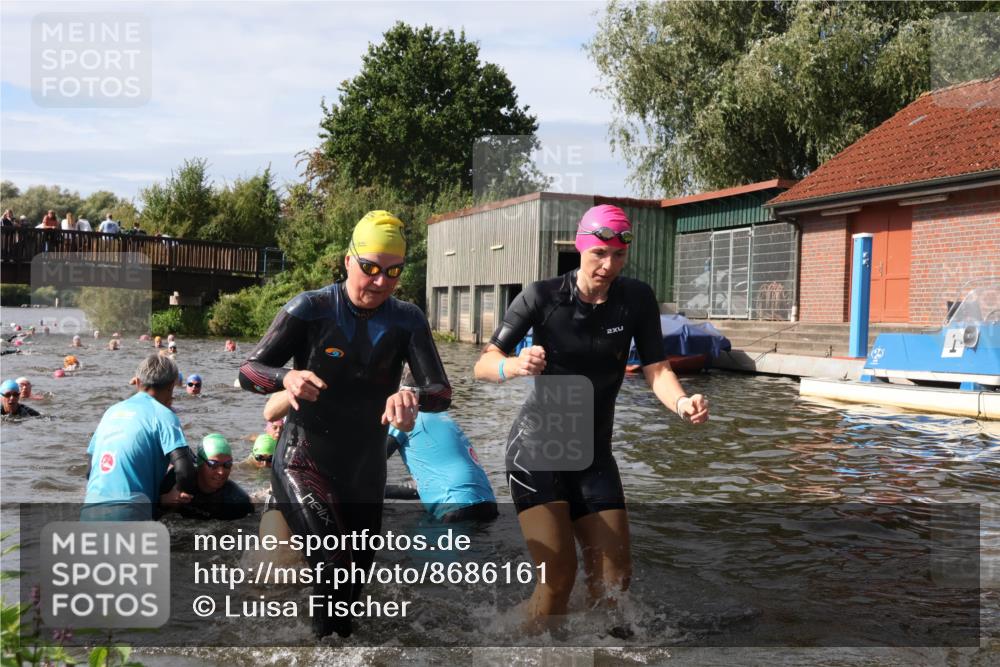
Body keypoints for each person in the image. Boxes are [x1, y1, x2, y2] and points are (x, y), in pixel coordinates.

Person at [473, 204, 710, 632]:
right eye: (599, 253)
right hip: (538, 450)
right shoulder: (542, 296)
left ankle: (596, 651)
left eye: (619, 255)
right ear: (581, 247)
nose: (608, 265)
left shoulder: (635, 299)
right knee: (558, 580)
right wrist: (514, 366)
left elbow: (657, 369)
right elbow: (484, 364)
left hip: (595, 454)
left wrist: (681, 403)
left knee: (615, 583)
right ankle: (512, 648)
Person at [238, 209, 452, 639]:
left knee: (352, 586)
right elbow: (248, 372)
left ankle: (329, 649)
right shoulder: (311, 309)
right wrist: (286, 378)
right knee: (333, 565)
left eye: (393, 272)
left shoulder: (407, 319)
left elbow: (441, 392)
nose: (380, 281)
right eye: (370, 268)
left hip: (364, 473)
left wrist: (412, 395)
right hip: (303, 462)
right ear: (348, 260)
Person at [81, 355, 197, 521]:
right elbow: (184, 470)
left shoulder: (111, 412)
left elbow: (89, 470)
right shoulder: (164, 415)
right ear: (172, 386)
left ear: (137, 382)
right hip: (130, 512)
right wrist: (174, 496)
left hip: (90, 511)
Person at [386, 410, 498, 523]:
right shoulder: (438, 414)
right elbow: (430, 485)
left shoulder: (401, 418)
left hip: (454, 506)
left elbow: (377, 462)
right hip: (488, 504)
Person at [159, 434, 253, 521]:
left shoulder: (236, 500)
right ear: (199, 463)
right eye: (213, 464)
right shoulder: (175, 479)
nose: (221, 472)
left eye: (227, 464)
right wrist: (163, 500)